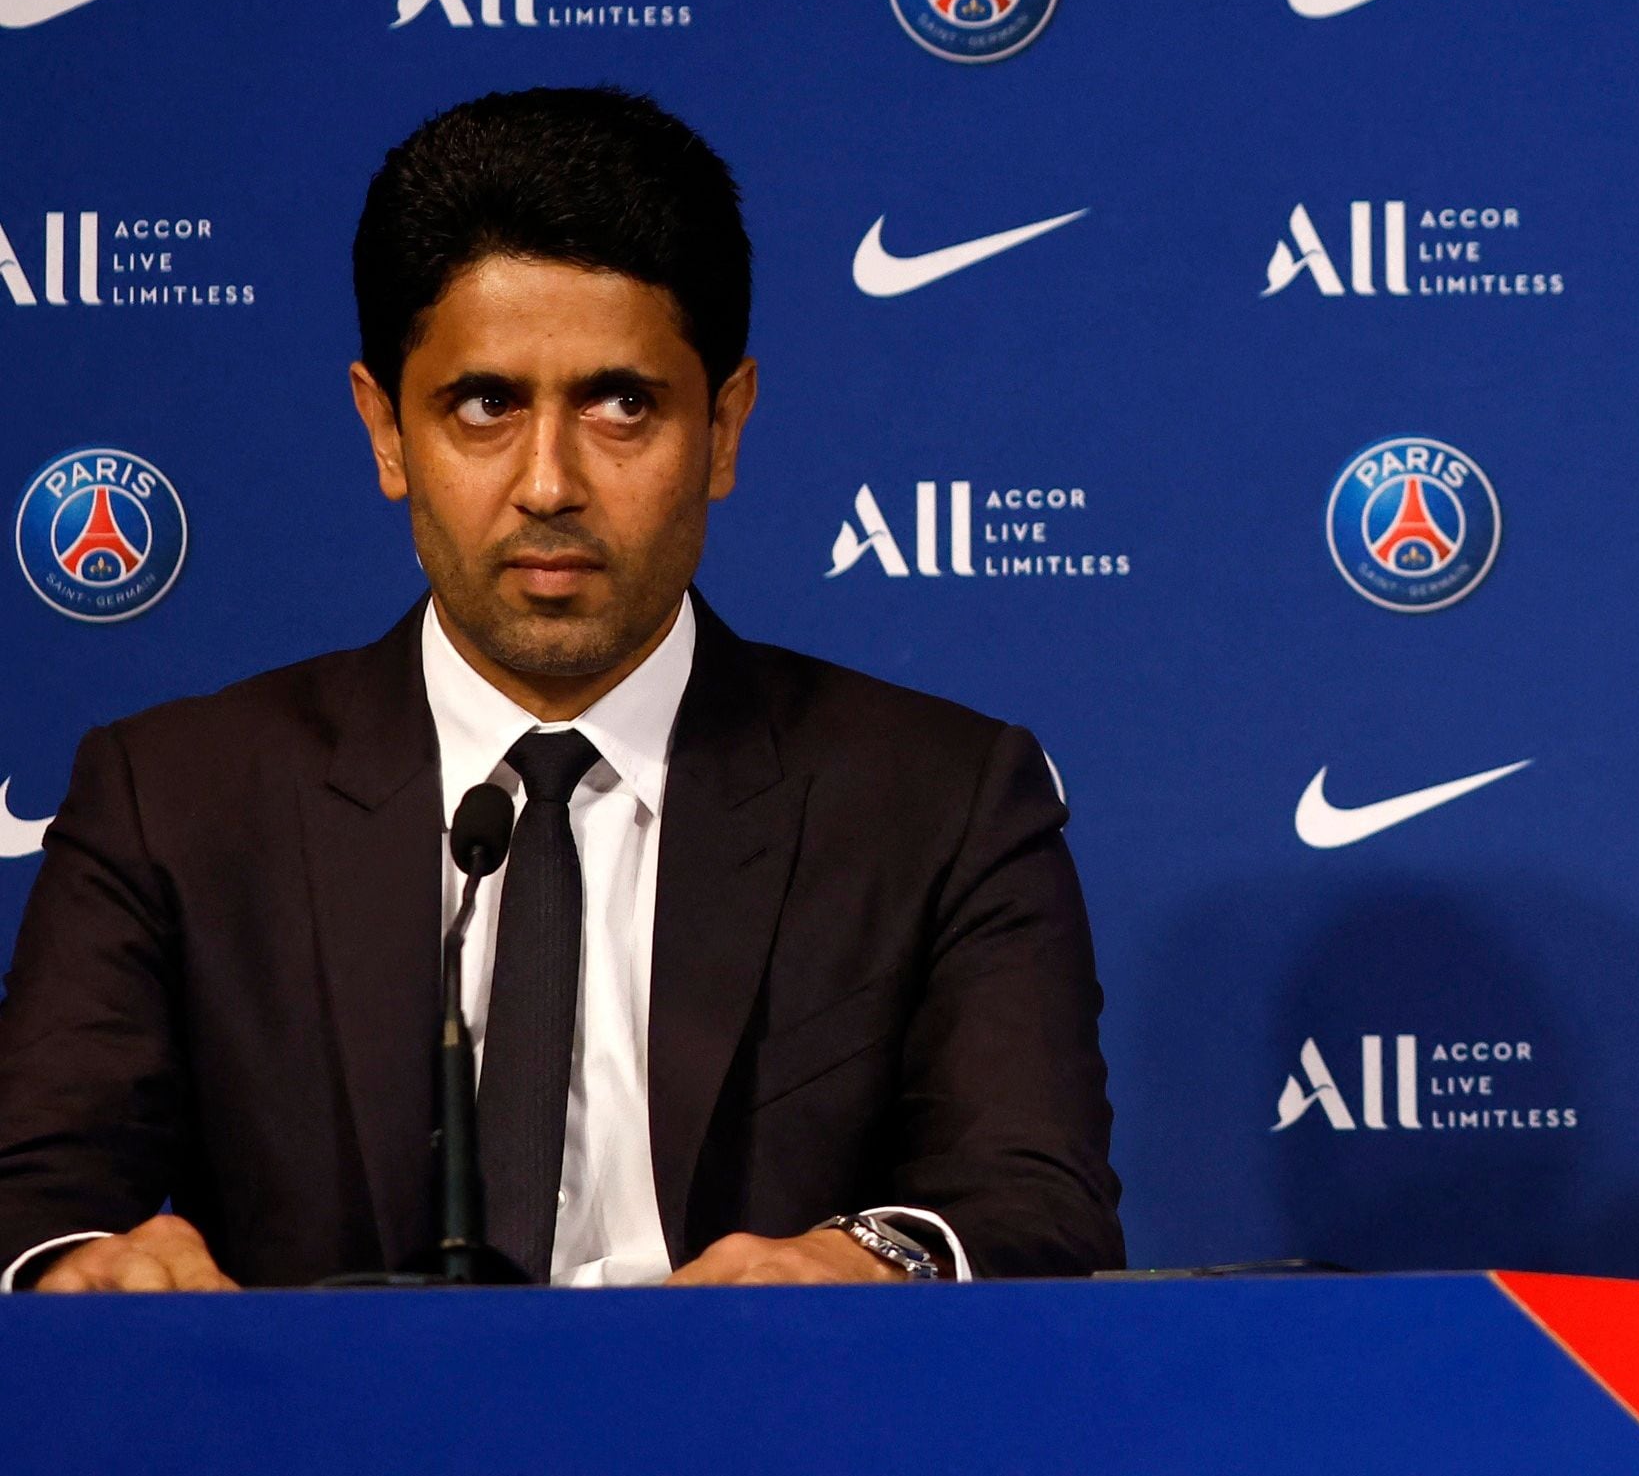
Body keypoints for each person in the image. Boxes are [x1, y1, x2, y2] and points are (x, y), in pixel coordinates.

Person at [0, 89, 1120, 1289]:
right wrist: (83, 1269)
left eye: (620, 403)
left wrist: (867, 1260)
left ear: (725, 428)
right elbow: (32, 1195)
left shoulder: (942, 802)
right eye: (484, 405)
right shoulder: (173, 803)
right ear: (385, 431)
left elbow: (1035, 1200)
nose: (549, 483)